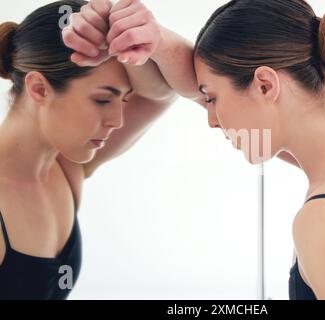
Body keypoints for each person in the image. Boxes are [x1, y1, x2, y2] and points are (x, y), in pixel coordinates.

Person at [63, 0, 325, 300]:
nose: (210, 118)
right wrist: (152, 38)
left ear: (264, 85)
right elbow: (198, 82)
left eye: (212, 99)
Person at [0, 0, 192, 299]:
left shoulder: (65, 168)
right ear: (39, 88)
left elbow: (163, 93)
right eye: (103, 100)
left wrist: (140, 34)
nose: (117, 120)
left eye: (124, 100)